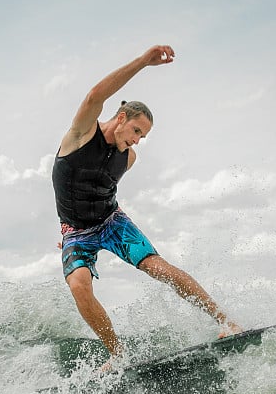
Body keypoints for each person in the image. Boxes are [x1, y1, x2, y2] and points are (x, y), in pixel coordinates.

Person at [52, 45, 241, 369]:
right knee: (79, 287)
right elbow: (95, 95)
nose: (138, 140)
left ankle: (226, 321)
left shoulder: (129, 158)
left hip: (112, 223)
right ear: (121, 118)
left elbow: (99, 190)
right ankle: (117, 353)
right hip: (76, 233)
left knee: (159, 268)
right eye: (137, 131)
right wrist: (143, 62)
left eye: (143, 136)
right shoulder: (81, 135)